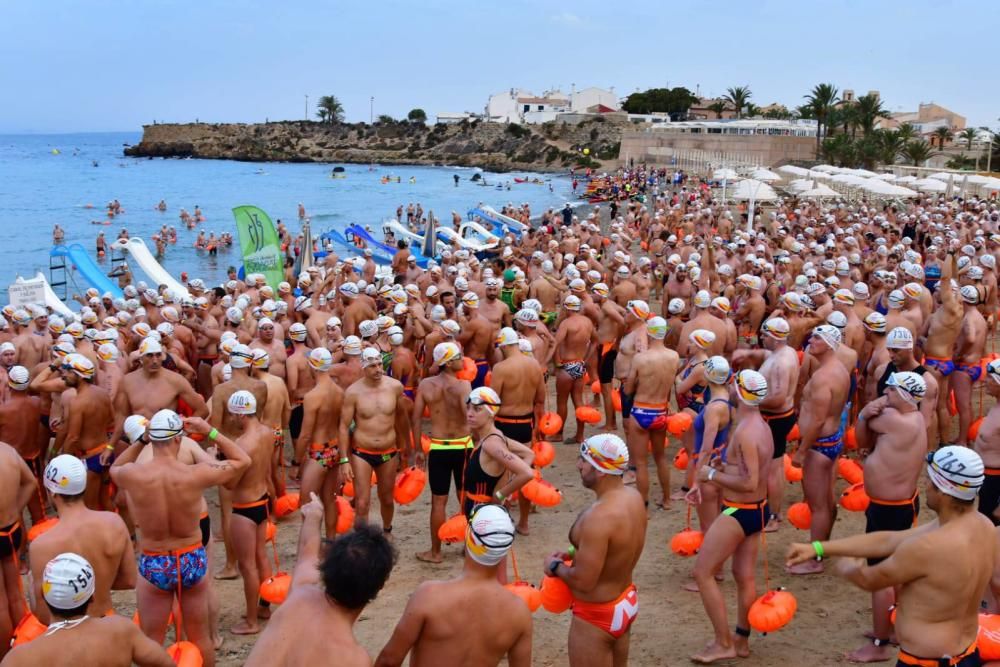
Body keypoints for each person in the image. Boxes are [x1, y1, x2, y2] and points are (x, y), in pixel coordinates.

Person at [786, 446, 995, 667]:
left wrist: (848, 568)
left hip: (926, 661)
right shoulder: (983, 526)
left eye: (929, 481)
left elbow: (871, 579)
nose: (925, 486)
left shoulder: (928, 548)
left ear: (943, 492)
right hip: (965, 654)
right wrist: (819, 548)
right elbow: (889, 540)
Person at [110, 411, 250, 667]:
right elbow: (242, 460)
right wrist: (210, 431)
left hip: (155, 561)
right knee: (200, 638)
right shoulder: (195, 474)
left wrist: (141, 440)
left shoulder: (134, 474)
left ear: (153, 439)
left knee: (152, 640)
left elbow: (114, 467)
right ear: (178, 440)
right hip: (190, 557)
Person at [244, 493, 395, 667]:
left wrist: (313, 514)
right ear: (380, 585)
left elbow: (307, 548)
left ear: (326, 566)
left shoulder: (301, 594)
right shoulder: (353, 659)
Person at [375, 504, 532, 667]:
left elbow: (389, 661)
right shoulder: (519, 613)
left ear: (469, 538)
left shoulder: (429, 596)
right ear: (506, 548)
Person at [688, 370, 772, 664]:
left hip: (740, 510)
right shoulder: (759, 425)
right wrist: (723, 464)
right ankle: (741, 639)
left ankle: (723, 642)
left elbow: (750, 482)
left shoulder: (748, 432)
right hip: (757, 509)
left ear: (740, 391)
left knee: (703, 572)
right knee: (743, 575)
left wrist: (711, 474)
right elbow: (753, 473)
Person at [543, 433, 645, 667]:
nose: (578, 465)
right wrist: (572, 551)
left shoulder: (598, 518)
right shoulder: (634, 498)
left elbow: (583, 581)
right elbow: (616, 545)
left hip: (596, 616)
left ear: (600, 470)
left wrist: (555, 567)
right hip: (624, 601)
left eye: (584, 460)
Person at [848, 371, 927, 662]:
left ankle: (879, 645)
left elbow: (860, 438)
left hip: (889, 508)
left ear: (904, 395)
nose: (885, 395)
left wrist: (863, 415)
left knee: (879, 577)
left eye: (890, 390)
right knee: (895, 573)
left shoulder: (894, 419)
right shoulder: (916, 417)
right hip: (900, 504)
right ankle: (893, 630)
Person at [1, 553, 173, 667]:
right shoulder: (121, 631)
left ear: (43, 596)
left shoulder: (19, 659)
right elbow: (166, 663)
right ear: (91, 596)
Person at [29, 455, 134, 624]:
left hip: (66, 634)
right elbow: (129, 580)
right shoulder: (114, 523)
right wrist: (101, 583)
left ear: (52, 492)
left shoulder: (41, 545)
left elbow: (42, 614)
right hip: (104, 622)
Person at [788, 325, 850, 575]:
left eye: (817, 338)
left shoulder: (825, 377)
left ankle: (815, 559)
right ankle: (824, 546)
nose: (811, 340)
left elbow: (818, 420)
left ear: (830, 344)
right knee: (826, 500)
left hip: (818, 445)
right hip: (831, 440)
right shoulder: (838, 370)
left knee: (818, 506)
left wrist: (802, 451)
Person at [412, 342, 473, 563]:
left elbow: (416, 418)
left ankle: (436, 552)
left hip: (438, 447)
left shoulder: (426, 385)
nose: (463, 359)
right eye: (459, 356)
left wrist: (418, 449)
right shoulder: (463, 386)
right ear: (448, 362)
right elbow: (469, 417)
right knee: (466, 498)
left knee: (438, 501)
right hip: (463, 446)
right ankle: (469, 547)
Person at [224, 390, 275, 636]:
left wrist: (219, 466)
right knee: (261, 556)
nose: (231, 420)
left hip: (244, 507)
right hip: (262, 500)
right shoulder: (268, 433)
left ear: (240, 414)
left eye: (232, 415)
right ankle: (265, 607)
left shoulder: (242, 443)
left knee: (247, 566)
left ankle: (252, 621)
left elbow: (231, 484)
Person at [340, 347, 406, 534]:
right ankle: (362, 540)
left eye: (379, 364)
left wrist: (405, 448)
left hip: (388, 451)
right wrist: (344, 460)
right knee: (362, 502)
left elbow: (401, 419)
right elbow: (344, 426)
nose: (378, 369)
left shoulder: (394, 387)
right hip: (362, 452)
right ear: (364, 368)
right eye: (372, 366)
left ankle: (387, 531)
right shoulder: (353, 392)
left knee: (386, 498)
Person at [622, 316, 678, 507]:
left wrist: (638, 383)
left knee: (641, 463)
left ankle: (643, 506)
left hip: (641, 410)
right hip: (660, 410)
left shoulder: (640, 358)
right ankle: (667, 499)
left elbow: (628, 390)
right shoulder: (674, 356)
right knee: (660, 457)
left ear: (649, 332)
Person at [461, 387, 535, 520]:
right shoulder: (496, 436)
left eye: (477, 409)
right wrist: (508, 484)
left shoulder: (491, 444)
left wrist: (501, 495)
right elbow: (529, 454)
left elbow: (527, 473)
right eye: (468, 408)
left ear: (491, 413)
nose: (469, 414)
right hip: (482, 511)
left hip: (483, 514)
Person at [295, 347, 344, 538]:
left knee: (307, 505)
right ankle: (331, 542)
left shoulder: (312, 396)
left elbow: (305, 435)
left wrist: (297, 461)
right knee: (329, 500)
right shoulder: (339, 391)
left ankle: (311, 547)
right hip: (334, 448)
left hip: (318, 452)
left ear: (312, 367)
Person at [0, 440, 36, 657]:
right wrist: (15, 508)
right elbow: (31, 482)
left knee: (1, 603)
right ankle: (22, 647)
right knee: (15, 595)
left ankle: (5, 655)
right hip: (12, 529)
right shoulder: (7, 450)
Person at [975, 359, 1000, 524]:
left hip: (995, 484)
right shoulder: (995, 407)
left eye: (991, 378)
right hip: (984, 480)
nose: (985, 381)